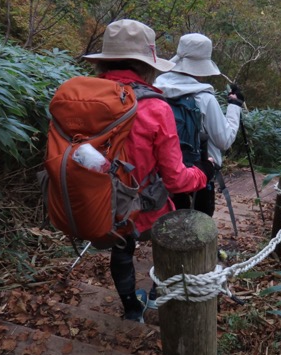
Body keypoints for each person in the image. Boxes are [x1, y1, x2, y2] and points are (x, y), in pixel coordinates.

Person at [82, 19, 213, 322]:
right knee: (165, 239)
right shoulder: (156, 108)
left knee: (122, 247)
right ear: (147, 63)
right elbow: (178, 180)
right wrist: (203, 171)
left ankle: (131, 310)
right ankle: (155, 297)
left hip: (99, 201)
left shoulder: (87, 98)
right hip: (146, 205)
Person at [154, 33, 243, 216]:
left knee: (168, 224)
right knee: (199, 227)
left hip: (163, 172)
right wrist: (234, 107)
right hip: (199, 173)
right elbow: (224, 140)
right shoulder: (204, 98)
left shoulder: (155, 89)